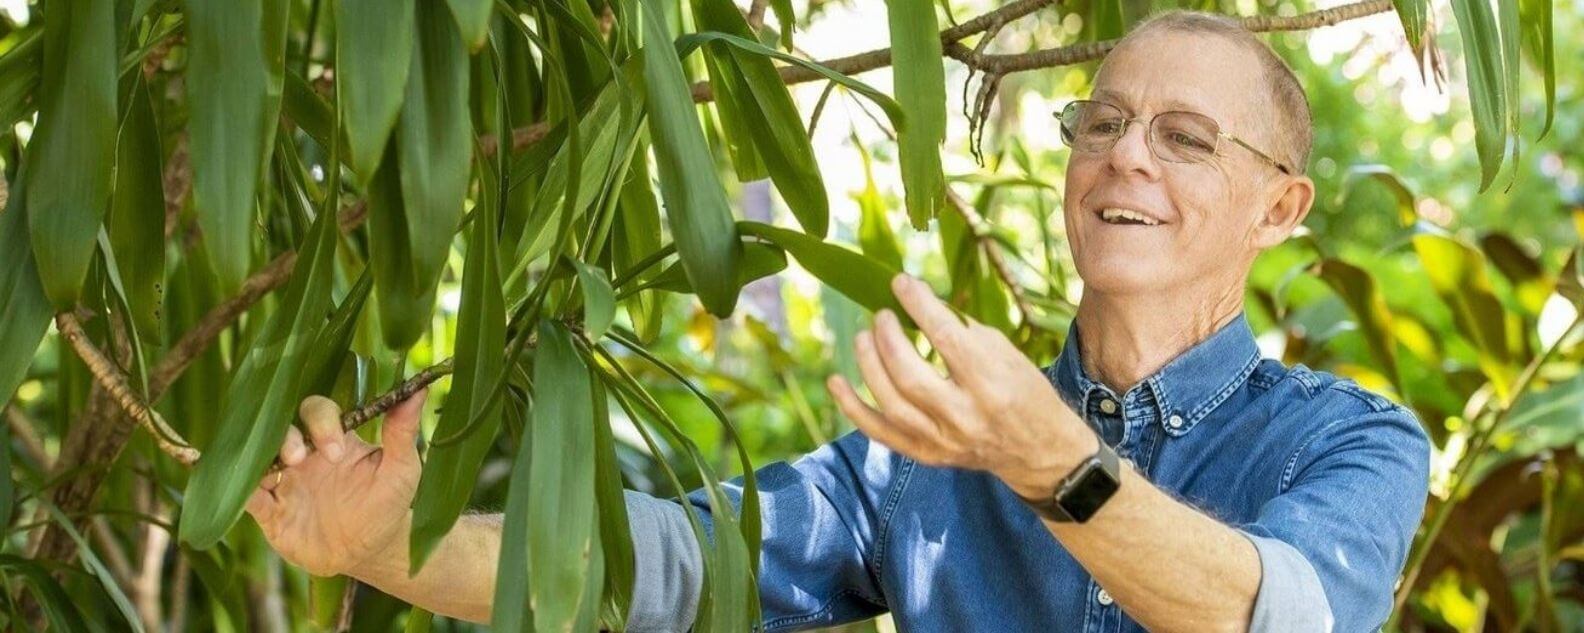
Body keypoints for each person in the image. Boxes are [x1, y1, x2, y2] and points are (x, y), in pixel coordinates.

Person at [244, 10, 1430, 632]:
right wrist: (380, 545)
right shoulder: (927, 450)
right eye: (1101, 121)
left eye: (1185, 138)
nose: (1127, 158)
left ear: (1279, 205)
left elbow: (1273, 618)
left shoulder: (1354, 445)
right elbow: (662, 572)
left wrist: (1049, 463)